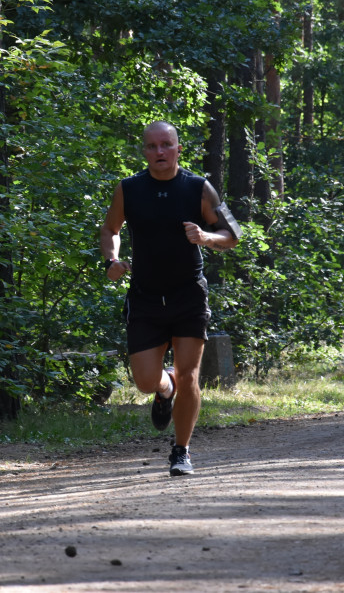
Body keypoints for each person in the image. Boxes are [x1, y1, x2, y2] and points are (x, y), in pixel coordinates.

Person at [99, 121, 239, 476]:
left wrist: (206, 237)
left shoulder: (198, 188)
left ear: (178, 148)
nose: (159, 152)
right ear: (144, 151)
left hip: (188, 294)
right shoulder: (129, 189)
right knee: (145, 381)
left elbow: (232, 234)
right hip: (145, 297)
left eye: (166, 145)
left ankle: (181, 451)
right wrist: (112, 260)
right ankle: (166, 388)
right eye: (152, 146)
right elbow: (110, 230)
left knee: (190, 373)